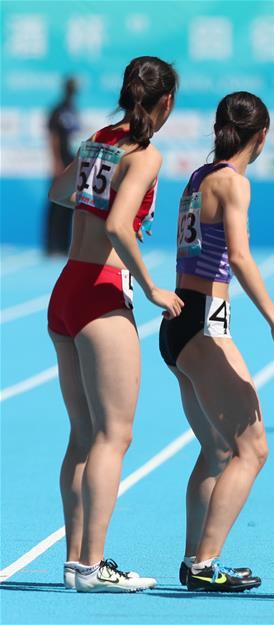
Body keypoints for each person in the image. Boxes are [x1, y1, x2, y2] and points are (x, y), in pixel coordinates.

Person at [47, 56, 182, 592]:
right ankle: (93, 564)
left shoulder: (98, 140)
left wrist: (112, 212)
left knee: (83, 435)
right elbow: (121, 226)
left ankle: (75, 562)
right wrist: (151, 287)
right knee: (114, 435)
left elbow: (61, 192)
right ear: (166, 101)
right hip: (102, 291)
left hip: (67, 287)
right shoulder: (145, 153)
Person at [159, 91, 274, 592]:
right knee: (252, 449)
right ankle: (205, 562)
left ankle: (194, 559)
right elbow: (238, 257)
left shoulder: (198, 178)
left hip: (180, 322)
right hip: (204, 324)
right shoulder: (234, 182)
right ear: (261, 136)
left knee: (217, 450)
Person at [46, 76, 81, 256]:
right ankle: (52, 246)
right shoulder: (58, 110)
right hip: (61, 163)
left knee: (69, 205)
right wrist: (56, 161)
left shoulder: (73, 109)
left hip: (71, 163)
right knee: (56, 204)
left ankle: (65, 245)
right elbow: (53, 137)